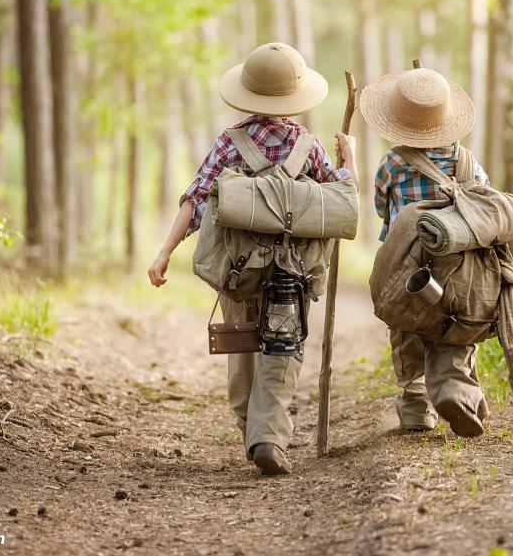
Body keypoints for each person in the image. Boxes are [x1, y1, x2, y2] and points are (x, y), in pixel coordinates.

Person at [148, 42, 357, 475]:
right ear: (295, 98)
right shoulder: (309, 146)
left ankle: (250, 424)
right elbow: (341, 200)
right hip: (291, 272)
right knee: (283, 350)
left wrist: (164, 252)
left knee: (242, 346)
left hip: (236, 269)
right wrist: (349, 158)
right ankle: (268, 437)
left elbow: (195, 200)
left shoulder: (229, 142)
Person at [358, 66, 491, 436]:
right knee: (457, 327)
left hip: (409, 265)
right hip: (461, 266)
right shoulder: (469, 164)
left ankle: (416, 405)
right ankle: (454, 388)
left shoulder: (392, 164)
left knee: (407, 328)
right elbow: (484, 203)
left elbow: (383, 211)